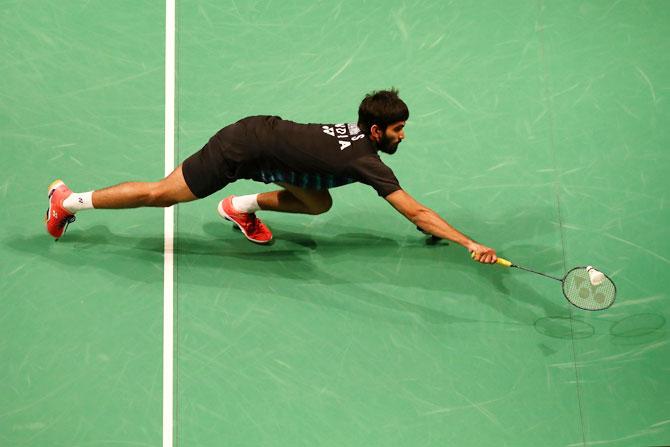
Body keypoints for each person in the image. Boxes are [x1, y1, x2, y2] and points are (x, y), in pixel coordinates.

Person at [45, 89, 497, 263]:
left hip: (264, 139)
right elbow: (415, 211)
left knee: (319, 203)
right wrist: (467, 242)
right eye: (398, 130)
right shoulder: (366, 163)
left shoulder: (357, 140)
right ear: (375, 131)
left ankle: (238, 207)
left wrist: (433, 230)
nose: (403, 137)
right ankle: (65, 201)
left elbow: (416, 215)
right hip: (242, 148)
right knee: (163, 193)